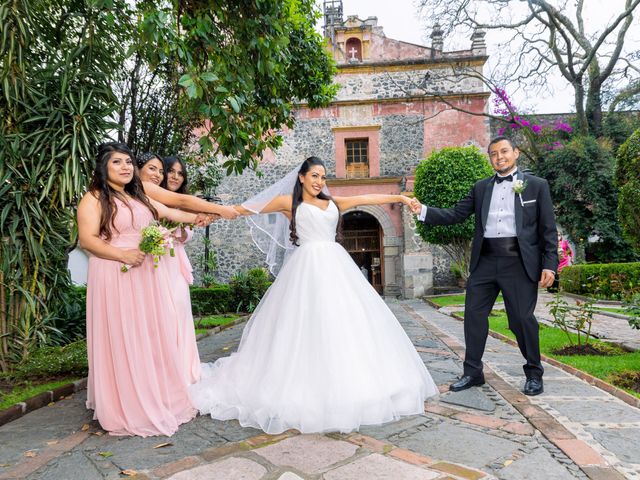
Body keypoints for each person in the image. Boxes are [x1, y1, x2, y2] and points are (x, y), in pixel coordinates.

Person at [189, 157, 438, 434]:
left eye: (323, 177)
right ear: (302, 178)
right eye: (315, 176)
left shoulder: (333, 202)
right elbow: (246, 209)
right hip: (305, 269)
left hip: (337, 268)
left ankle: (351, 384)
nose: (320, 181)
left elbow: (368, 196)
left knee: (345, 324)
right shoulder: (288, 203)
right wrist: (211, 214)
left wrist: (401, 198)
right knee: (302, 324)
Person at [410, 137, 558, 396]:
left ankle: (534, 373)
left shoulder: (536, 186)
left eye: (504, 151)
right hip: (485, 262)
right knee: (473, 317)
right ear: (489, 158)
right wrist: (422, 210)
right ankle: (473, 372)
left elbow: (547, 229)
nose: (499, 157)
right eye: (493, 153)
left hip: (519, 263)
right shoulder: (480, 188)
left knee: (521, 319)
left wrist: (550, 265)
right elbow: (455, 214)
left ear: (516, 153)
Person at [77, 142, 205, 436]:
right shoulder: (93, 198)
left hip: (145, 272)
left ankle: (155, 394)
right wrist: (122, 255)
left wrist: (203, 215)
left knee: (147, 333)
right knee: (124, 334)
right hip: (114, 271)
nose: (124, 167)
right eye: (117, 162)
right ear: (103, 168)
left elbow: (174, 213)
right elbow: (87, 239)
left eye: (127, 162)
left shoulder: (137, 197)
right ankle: (126, 403)